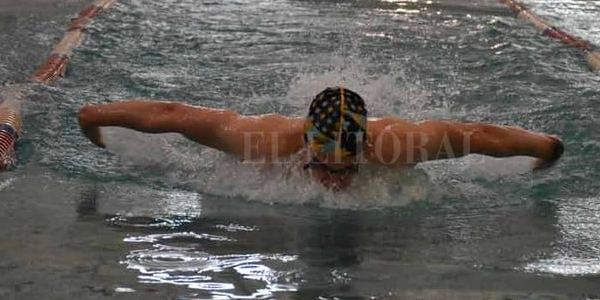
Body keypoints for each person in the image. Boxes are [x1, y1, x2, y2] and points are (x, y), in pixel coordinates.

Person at [78, 87, 564, 191]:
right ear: (307, 144)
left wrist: (546, 148)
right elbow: (174, 115)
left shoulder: (397, 146)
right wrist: (94, 115)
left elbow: (478, 136)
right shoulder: (263, 142)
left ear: (363, 150)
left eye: (345, 167)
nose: (334, 177)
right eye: (324, 165)